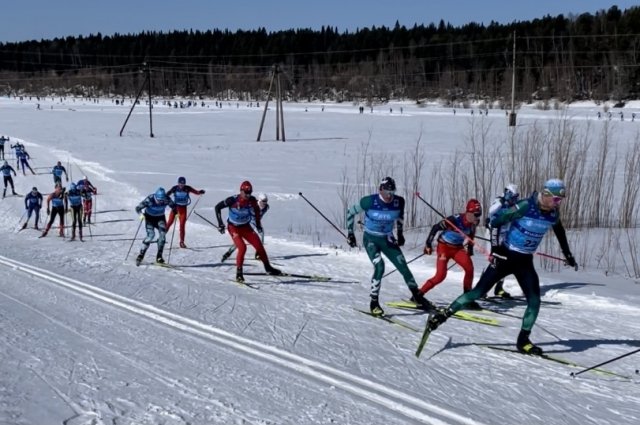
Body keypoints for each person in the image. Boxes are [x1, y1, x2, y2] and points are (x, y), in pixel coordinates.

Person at [424, 179, 578, 356]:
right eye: (557, 199)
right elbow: (495, 221)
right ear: (547, 194)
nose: (559, 203)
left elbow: (560, 231)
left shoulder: (553, 213)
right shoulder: (525, 206)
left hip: (525, 261)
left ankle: (523, 341)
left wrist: (568, 254)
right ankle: (442, 316)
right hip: (506, 255)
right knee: (477, 292)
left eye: (561, 200)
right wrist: (496, 249)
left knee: (534, 302)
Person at [346, 176, 431, 316]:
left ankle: (417, 295)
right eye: (386, 193)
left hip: (387, 238)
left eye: (392, 193)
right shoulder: (369, 201)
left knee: (403, 265)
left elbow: (400, 218)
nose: (389, 196)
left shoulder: (399, 202)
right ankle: (374, 302)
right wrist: (350, 234)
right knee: (380, 266)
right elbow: (350, 212)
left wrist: (400, 234)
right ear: (380, 190)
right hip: (371, 238)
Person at [417, 199, 482, 310]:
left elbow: (471, 235)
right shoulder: (454, 220)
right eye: (476, 214)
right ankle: (418, 295)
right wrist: (428, 244)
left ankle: (467, 298)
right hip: (444, 247)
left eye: (479, 214)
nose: (478, 217)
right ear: (469, 212)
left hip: (457, 248)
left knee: (469, 268)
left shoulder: (473, 224)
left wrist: (470, 248)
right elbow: (435, 228)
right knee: (440, 276)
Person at [215, 180, 281, 282]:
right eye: (246, 193)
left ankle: (268, 268)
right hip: (233, 228)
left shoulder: (252, 200)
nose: (248, 195)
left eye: (250, 193)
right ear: (241, 191)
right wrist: (220, 223)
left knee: (259, 245)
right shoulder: (232, 200)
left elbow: (257, 213)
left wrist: (258, 225)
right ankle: (239, 273)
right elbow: (217, 207)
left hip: (246, 227)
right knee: (242, 247)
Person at [483, 184, 520, 298]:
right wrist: (503, 201)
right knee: (492, 261)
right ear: (507, 193)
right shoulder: (499, 201)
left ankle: (499, 287)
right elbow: (491, 211)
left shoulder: (513, 206)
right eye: (512, 197)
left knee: (504, 262)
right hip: (493, 235)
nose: (514, 200)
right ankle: (482, 288)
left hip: (504, 235)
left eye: (516, 197)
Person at [221, 192, 269, 262]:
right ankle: (228, 253)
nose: (265, 203)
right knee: (240, 241)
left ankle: (258, 254)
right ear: (259, 200)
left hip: (256, 223)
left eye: (266, 201)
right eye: (263, 201)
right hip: (248, 223)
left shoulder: (266, 207)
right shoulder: (253, 205)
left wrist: (258, 224)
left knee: (262, 235)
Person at [134, 187, 177, 265]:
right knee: (151, 235)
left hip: (160, 218)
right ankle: (141, 255)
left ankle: (159, 257)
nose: (161, 202)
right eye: (159, 200)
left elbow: (173, 206)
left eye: (162, 200)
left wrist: (176, 212)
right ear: (155, 197)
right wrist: (141, 215)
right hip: (149, 218)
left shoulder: (166, 199)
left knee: (162, 235)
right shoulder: (150, 199)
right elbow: (138, 208)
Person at [166, 176, 205, 248]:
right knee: (169, 223)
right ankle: (162, 237)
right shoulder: (175, 188)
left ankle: (182, 242)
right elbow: (167, 194)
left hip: (183, 210)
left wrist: (200, 192)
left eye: (183, 184)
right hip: (175, 208)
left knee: (182, 226)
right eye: (180, 184)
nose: (181, 185)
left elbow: (196, 192)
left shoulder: (187, 188)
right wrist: (165, 197)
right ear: (178, 183)